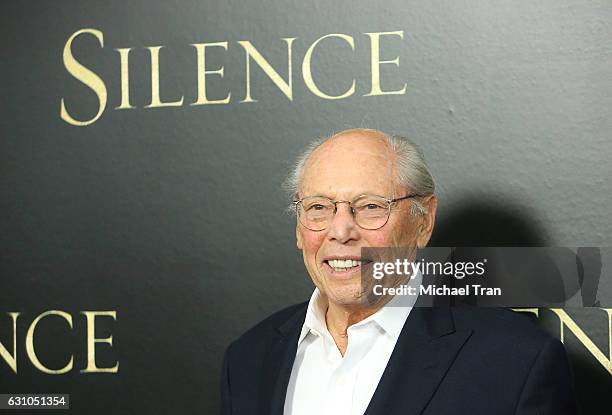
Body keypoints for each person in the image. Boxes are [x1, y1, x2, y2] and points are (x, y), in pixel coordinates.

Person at [220, 128, 577, 415]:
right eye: (318, 208)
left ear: (423, 222)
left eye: (370, 207)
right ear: (299, 228)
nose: (341, 231)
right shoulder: (249, 358)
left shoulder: (516, 361)